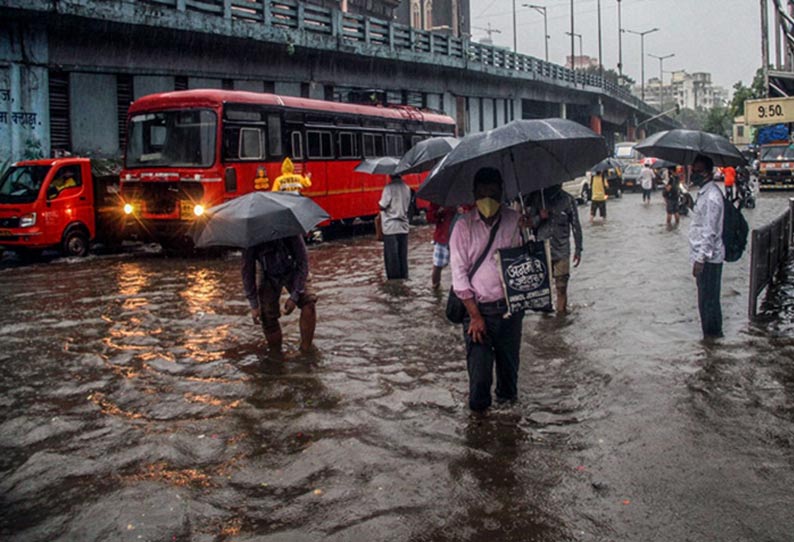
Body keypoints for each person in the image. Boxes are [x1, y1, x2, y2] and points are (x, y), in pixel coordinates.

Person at [449, 167, 524, 412]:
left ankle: (508, 436)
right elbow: (459, 276)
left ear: (502, 192)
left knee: (509, 384)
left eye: (493, 193)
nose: (488, 199)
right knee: (479, 385)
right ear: (474, 194)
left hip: (511, 313)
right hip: (479, 314)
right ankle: (479, 434)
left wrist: (531, 231)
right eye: (483, 194)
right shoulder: (463, 228)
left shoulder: (514, 220)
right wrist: (475, 316)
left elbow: (523, 263)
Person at [242, 236, 317, 353]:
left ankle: (306, 350)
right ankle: (276, 354)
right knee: (267, 316)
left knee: (309, 303)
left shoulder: (290, 230)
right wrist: (254, 305)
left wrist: (294, 297)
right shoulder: (252, 237)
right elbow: (247, 272)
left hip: (293, 268)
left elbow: (303, 263)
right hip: (267, 274)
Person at [526, 184, 582, 313]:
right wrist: (540, 216)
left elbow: (576, 226)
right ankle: (546, 316)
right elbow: (528, 225)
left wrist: (578, 249)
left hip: (562, 250)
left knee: (561, 287)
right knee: (544, 290)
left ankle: (561, 318)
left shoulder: (568, 200)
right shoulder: (537, 199)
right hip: (542, 251)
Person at [688, 154, 724, 339]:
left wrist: (700, 260)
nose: (693, 173)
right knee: (705, 302)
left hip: (709, 260)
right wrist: (690, 205)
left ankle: (712, 339)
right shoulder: (703, 194)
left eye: (697, 171)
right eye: (693, 170)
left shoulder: (712, 197)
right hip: (702, 257)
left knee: (709, 303)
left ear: (708, 173)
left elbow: (710, 231)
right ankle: (711, 343)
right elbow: (702, 222)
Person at [379, 174, 411, 279]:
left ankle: (394, 283)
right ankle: (404, 277)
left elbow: (382, 205)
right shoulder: (407, 188)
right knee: (402, 256)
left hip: (390, 227)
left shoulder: (388, 188)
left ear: (390, 176)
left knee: (392, 258)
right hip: (404, 227)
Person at [426, 203, 455, 289]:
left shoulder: (463, 198)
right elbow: (429, 218)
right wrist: (439, 212)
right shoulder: (438, 200)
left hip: (460, 236)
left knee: (460, 266)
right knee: (438, 265)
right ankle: (435, 287)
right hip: (443, 237)